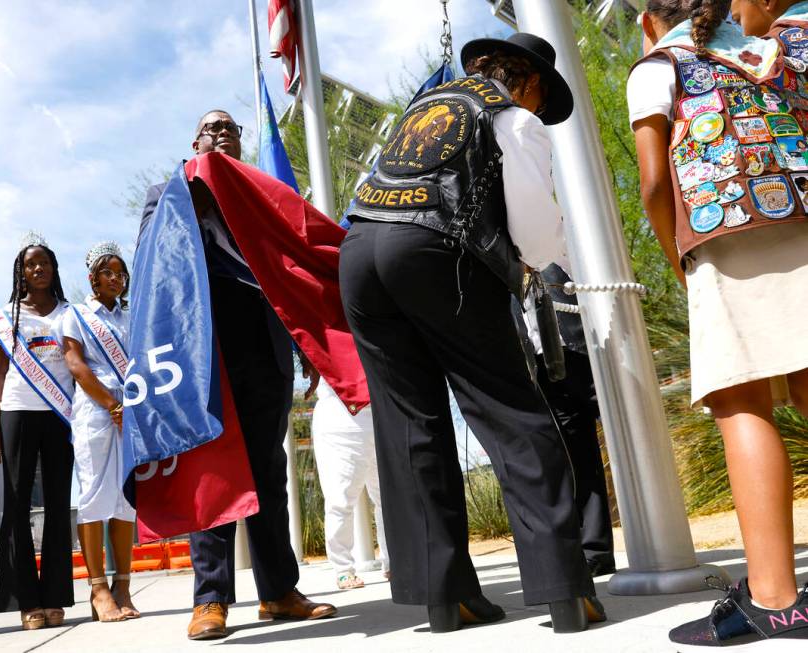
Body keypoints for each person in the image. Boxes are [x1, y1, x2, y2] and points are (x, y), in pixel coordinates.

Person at [339, 33, 602, 634]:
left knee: (410, 426)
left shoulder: (425, 107)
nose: (540, 112)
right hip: (435, 251)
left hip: (359, 252)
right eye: (542, 99)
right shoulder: (511, 117)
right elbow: (537, 238)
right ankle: (566, 589)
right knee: (512, 411)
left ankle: (446, 596)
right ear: (529, 82)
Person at [629, 1, 808, 647]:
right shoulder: (775, 50)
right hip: (802, 213)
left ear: (650, 20)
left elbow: (654, 182)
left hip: (730, 234)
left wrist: (678, 252)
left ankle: (775, 599)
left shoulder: (659, 64)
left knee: (743, 403)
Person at [139, 111, 336, 641]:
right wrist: (195, 204)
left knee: (269, 475)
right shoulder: (168, 192)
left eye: (231, 128)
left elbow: (288, 270)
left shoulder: (261, 192)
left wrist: (307, 350)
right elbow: (153, 263)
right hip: (203, 355)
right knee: (213, 473)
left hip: (264, 352)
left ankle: (278, 592)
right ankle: (210, 600)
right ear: (195, 141)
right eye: (212, 127)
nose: (223, 132)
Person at [0, 232, 76, 630]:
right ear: (21, 273)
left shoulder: (69, 312)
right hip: (16, 411)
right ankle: (27, 602)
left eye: (45, 263)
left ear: (54, 269)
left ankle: (55, 597)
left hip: (60, 413)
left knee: (58, 504)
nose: (38, 269)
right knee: (17, 507)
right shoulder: (6, 317)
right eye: (30, 264)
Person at [519, 264, 615, 578]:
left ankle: (661, 534)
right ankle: (596, 551)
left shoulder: (553, 235)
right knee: (579, 461)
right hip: (545, 363)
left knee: (629, 441)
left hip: (592, 351)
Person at [59, 241, 138, 623]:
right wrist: (110, 404)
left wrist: (130, 405)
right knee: (92, 494)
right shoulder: (75, 315)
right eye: (109, 272)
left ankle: (123, 584)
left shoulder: (131, 316)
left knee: (126, 500)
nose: (116, 278)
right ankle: (98, 589)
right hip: (95, 409)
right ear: (92, 278)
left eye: (121, 273)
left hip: (131, 410)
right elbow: (75, 364)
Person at [311, 379, 389, 589]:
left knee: (389, 496)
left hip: (381, 409)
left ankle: (393, 561)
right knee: (340, 499)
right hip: (339, 415)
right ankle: (343, 569)